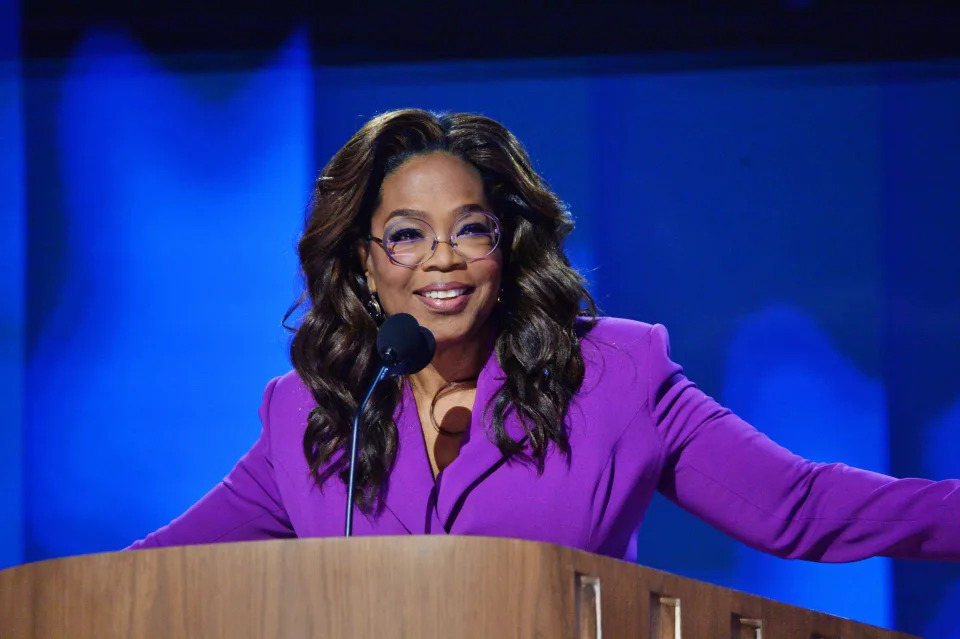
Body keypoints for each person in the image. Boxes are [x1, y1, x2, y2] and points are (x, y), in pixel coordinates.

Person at [128, 109, 960, 563]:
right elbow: (154, 573)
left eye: (472, 229)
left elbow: (801, 508)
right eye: (409, 234)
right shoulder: (313, 411)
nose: (442, 259)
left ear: (506, 244)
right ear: (366, 259)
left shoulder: (616, 376)